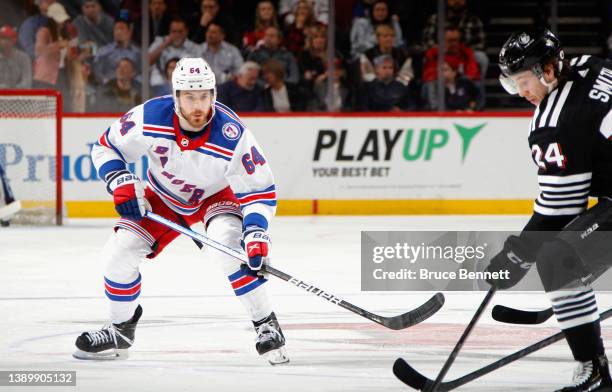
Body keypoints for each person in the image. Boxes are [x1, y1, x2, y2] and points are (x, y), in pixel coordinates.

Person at [73, 57, 288, 365]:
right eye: (189, 97)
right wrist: (118, 179)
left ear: (213, 94)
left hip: (215, 197)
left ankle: (266, 323)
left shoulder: (232, 133)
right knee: (117, 256)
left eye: (204, 96)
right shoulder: (149, 116)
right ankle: (120, 329)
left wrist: (255, 232)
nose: (198, 105)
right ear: (175, 97)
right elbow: (106, 146)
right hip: (162, 197)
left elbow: (259, 189)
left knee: (229, 247)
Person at [486, 28, 612, 391]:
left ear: (548, 70)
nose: (522, 93)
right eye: (513, 85)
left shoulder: (555, 123)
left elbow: (560, 209)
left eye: (524, 82)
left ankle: (594, 369)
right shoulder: (592, 64)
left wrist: (516, 256)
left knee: (557, 260)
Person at [422, 25, 480, 110]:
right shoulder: (433, 53)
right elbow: (427, 75)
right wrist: (443, 75)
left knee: (476, 84)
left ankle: (474, 110)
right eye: (450, 41)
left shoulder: (465, 52)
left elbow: (473, 73)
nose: (454, 44)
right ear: (442, 41)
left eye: (456, 40)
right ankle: (436, 110)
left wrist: (457, 77)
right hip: (439, 83)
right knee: (429, 85)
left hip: (459, 83)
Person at [148, 18, 200, 88]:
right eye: (174, 31)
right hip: (161, 84)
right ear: (169, 32)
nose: (177, 35)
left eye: (180, 31)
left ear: (186, 32)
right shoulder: (160, 42)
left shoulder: (194, 47)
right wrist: (165, 44)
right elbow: (147, 61)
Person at [93, 19, 141, 85]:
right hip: (108, 88)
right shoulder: (103, 51)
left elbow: (141, 74)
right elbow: (97, 72)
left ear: (129, 32)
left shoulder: (137, 53)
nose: (118, 32)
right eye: (116, 29)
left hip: (130, 88)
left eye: (121, 28)